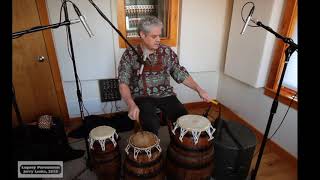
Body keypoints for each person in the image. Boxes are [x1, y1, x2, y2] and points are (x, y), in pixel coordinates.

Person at [118, 16, 211, 135]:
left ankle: (177, 147)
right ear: (142, 34)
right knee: (150, 123)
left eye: (159, 36)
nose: (158, 40)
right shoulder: (129, 54)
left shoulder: (166, 52)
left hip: (166, 94)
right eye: (153, 36)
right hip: (143, 96)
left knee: (182, 118)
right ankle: (152, 150)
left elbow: (180, 73)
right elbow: (123, 83)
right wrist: (131, 104)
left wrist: (199, 89)